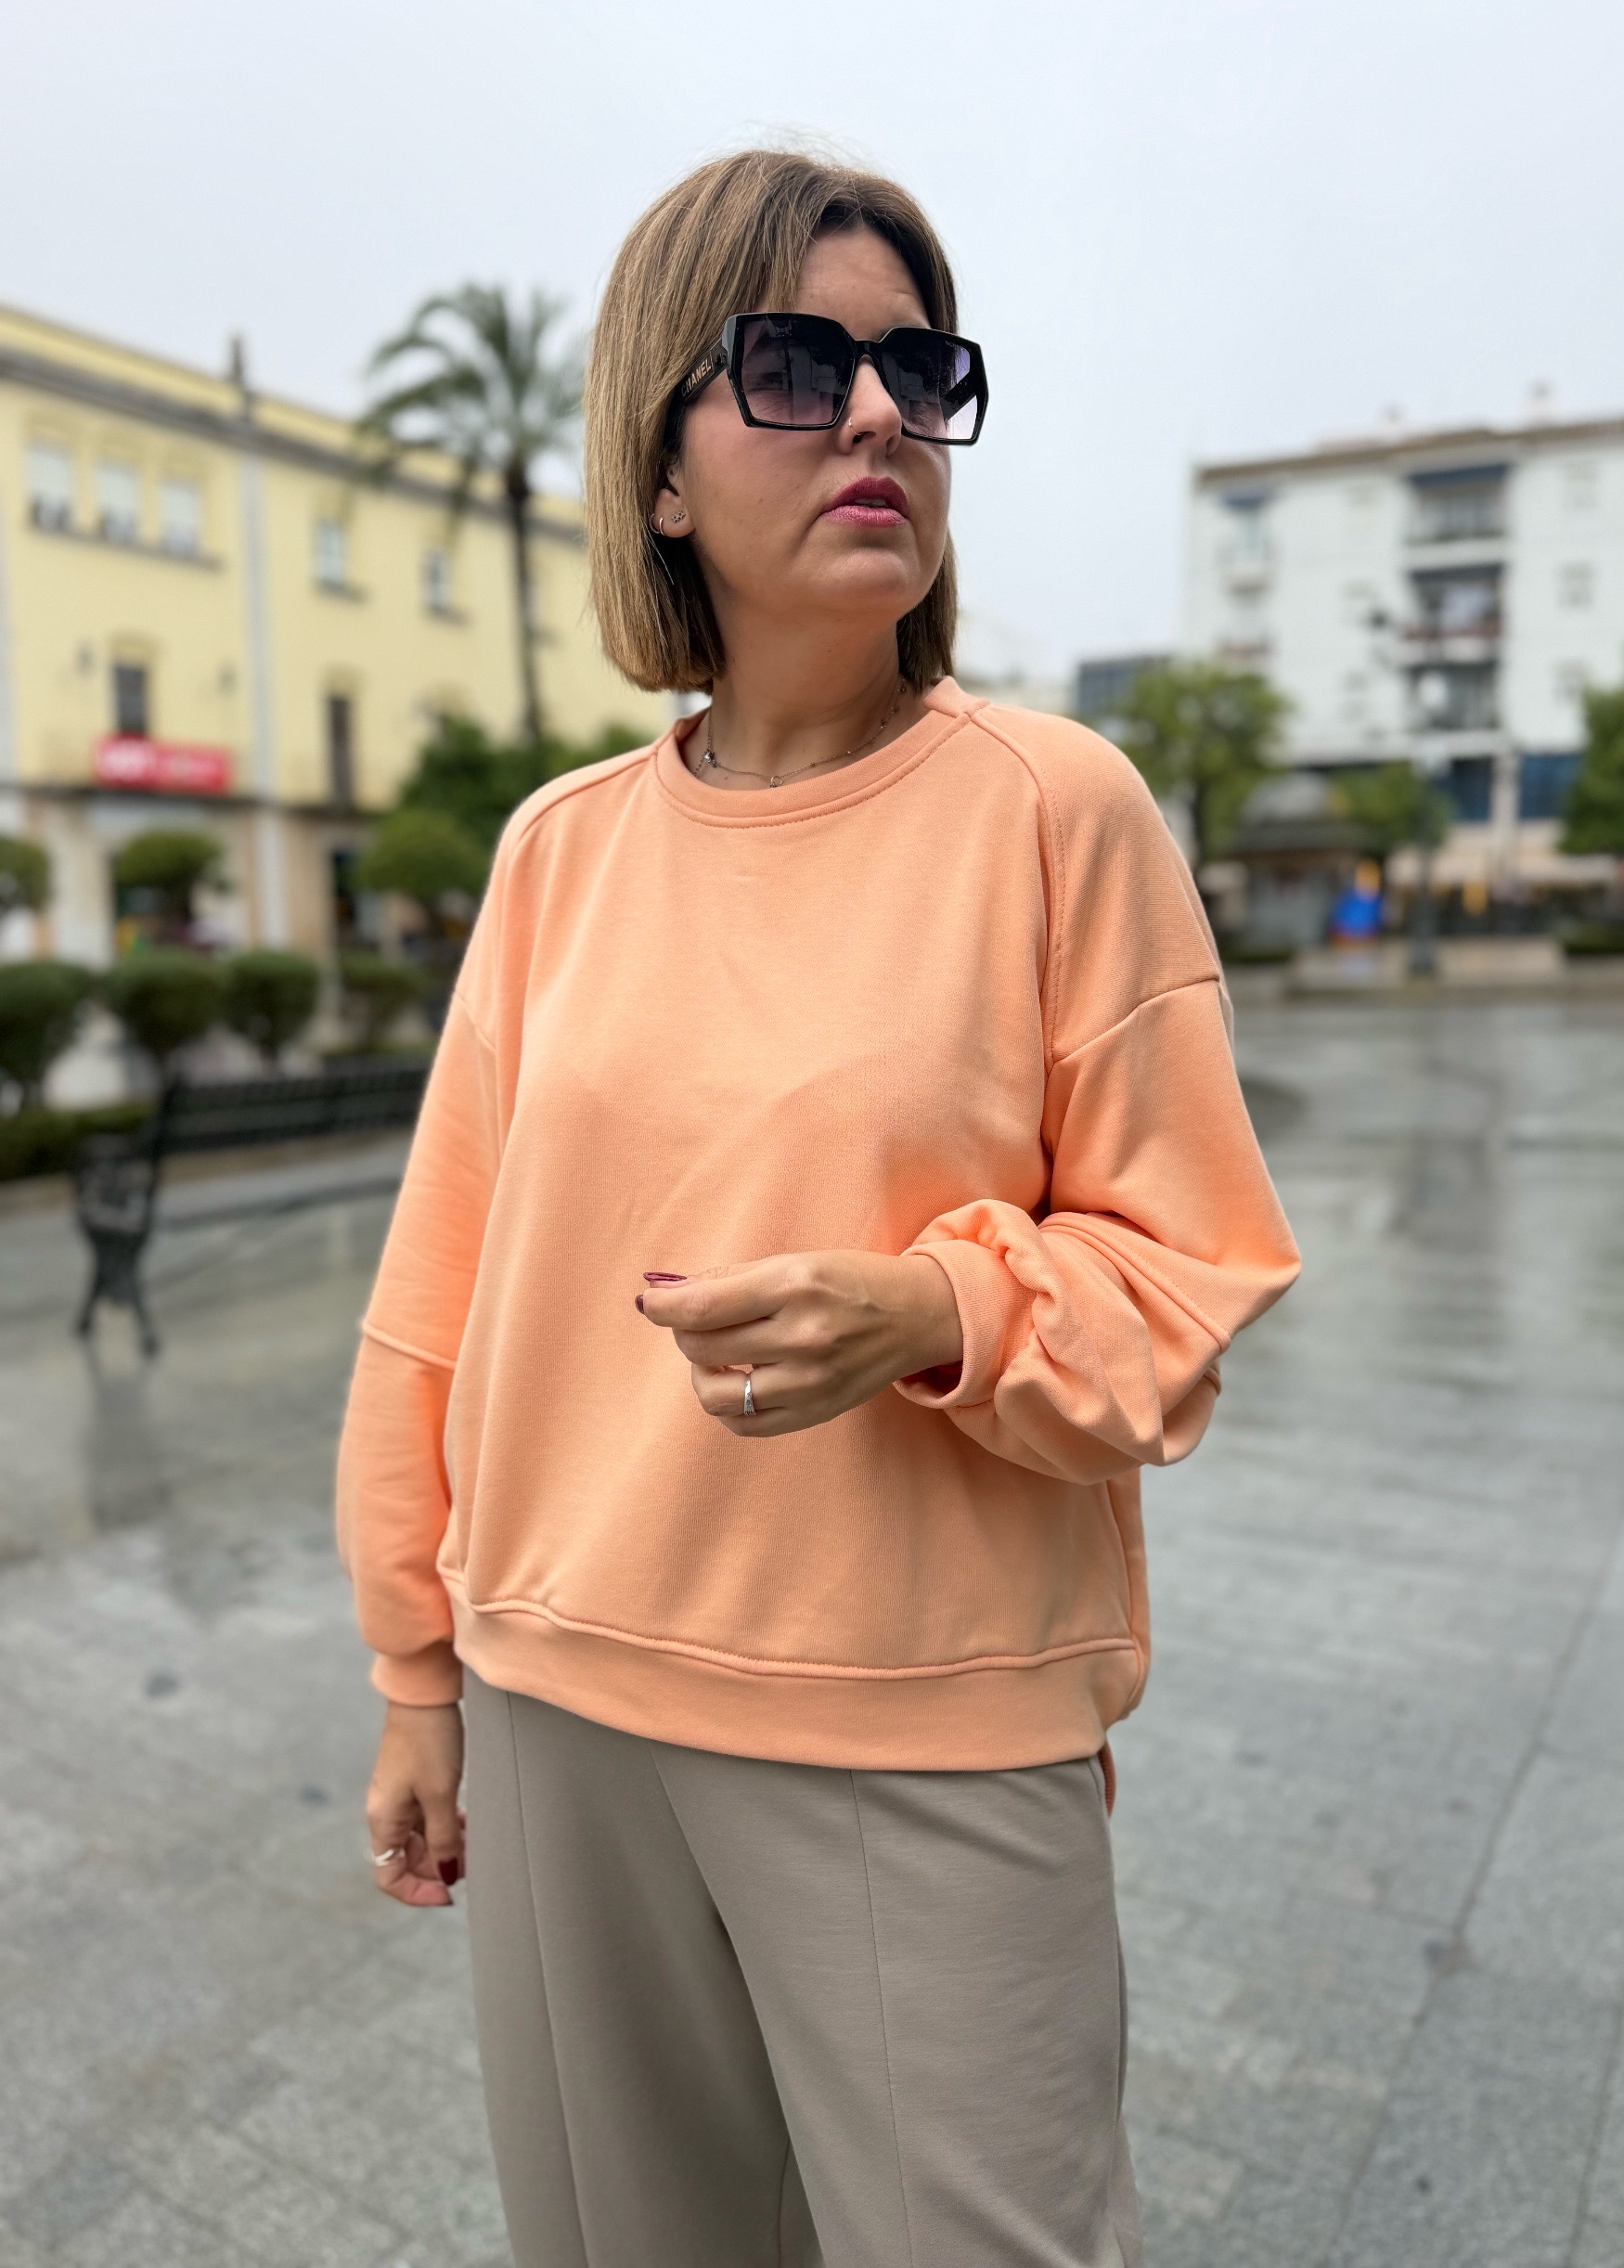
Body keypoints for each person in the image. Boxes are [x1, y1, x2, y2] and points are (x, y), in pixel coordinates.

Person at [336, 148, 1300, 2268]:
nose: (876, 411)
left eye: (915, 369)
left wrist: (935, 1311)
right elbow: (441, 1290)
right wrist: (415, 1663)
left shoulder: (1052, 807)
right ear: (658, 469)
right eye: (792, 362)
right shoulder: (556, 850)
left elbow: (1187, 1271)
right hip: (556, 1699)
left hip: (921, 1716)